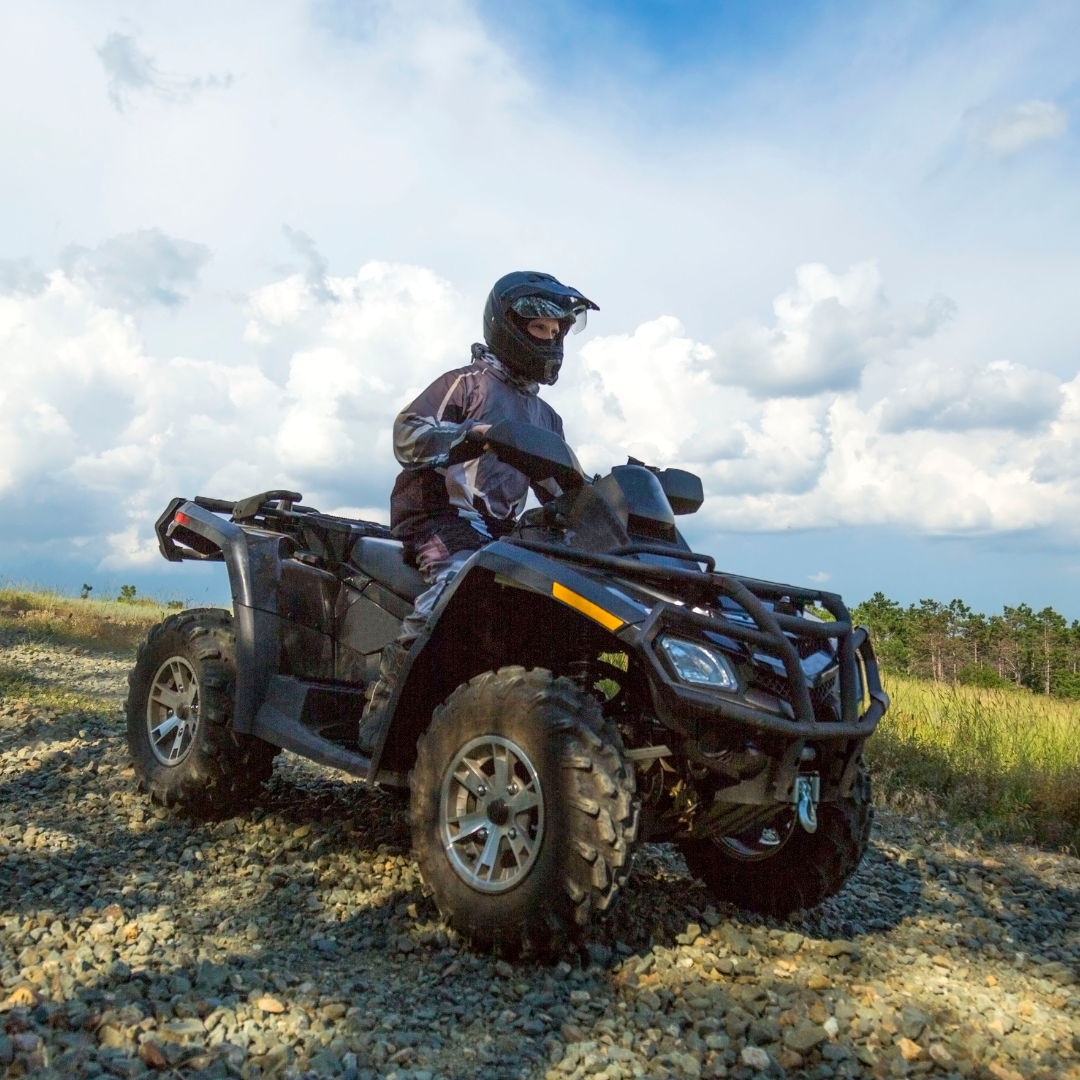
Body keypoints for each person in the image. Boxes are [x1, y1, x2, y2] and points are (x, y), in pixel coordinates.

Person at [357, 271, 598, 754]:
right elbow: (406, 432)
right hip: (437, 515)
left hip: (497, 533)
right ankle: (383, 707)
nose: (550, 340)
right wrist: (465, 436)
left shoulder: (546, 418)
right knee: (454, 581)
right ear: (507, 325)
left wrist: (602, 500)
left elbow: (560, 489)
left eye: (557, 332)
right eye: (540, 330)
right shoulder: (465, 384)